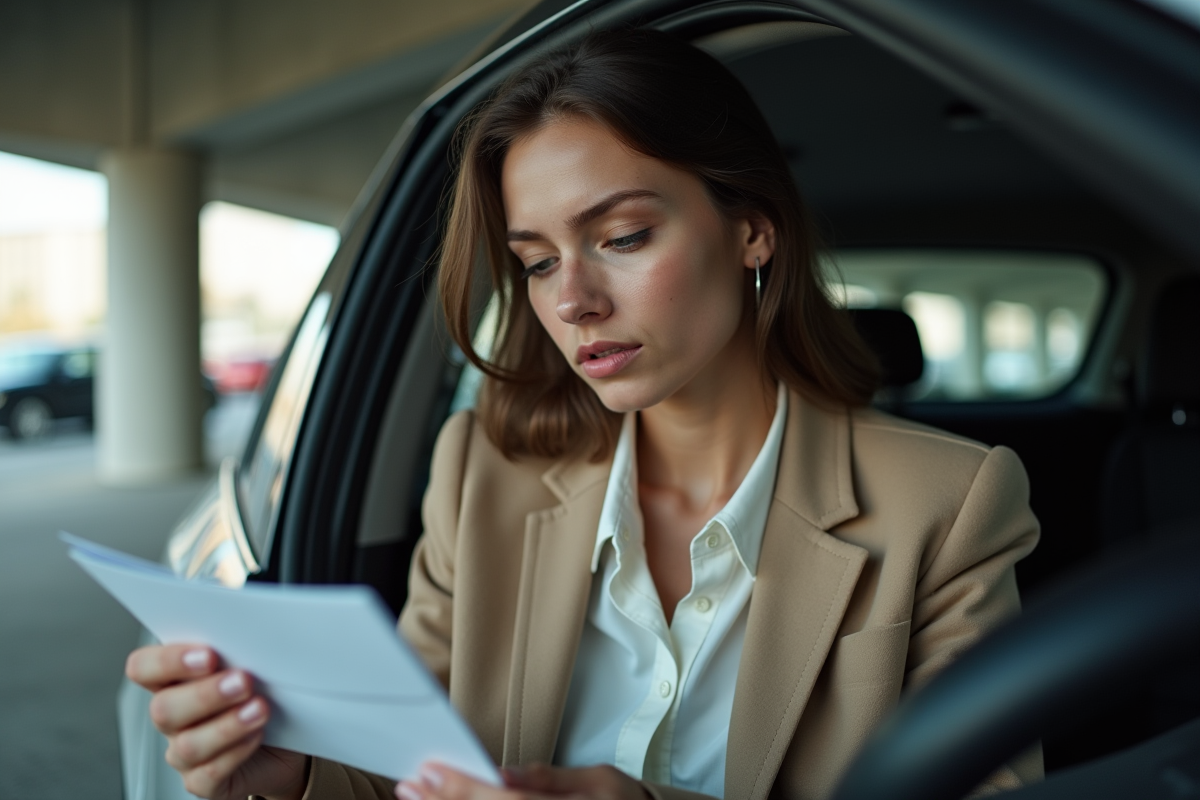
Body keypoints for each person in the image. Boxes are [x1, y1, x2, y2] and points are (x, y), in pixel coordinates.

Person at [125, 28, 1041, 800]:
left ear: (753, 229)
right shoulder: (479, 475)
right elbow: (409, 773)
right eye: (536, 261)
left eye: (623, 237)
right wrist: (293, 775)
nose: (573, 302)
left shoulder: (950, 503)